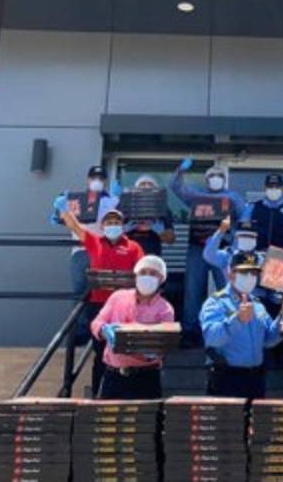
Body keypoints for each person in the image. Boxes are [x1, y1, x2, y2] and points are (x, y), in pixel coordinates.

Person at [57, 206, 145, 397]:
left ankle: (126, 395)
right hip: (99, 307)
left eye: (116, 222)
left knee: (125, 353)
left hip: (125, 308)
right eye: (109, 222)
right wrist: (64, 208)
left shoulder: (134, 247)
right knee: (100, 353)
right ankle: (99, 395)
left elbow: (142, 273)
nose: (113, 225)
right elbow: (75, 226)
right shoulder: (94, 241)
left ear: (122, 225)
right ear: (103, 225)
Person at [169, 157, 245, 348]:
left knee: (226, 289)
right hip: (197, 247)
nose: (215, 178)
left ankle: (230, 329)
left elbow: (243, 219)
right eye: (212, 176)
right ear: (206, 179)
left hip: (222, 249)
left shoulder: (233, 197)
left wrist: (235, 240)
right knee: (193, 290)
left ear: (224, 180)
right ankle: (190, 331)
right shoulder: (196, 195)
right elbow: (175, 187)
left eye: (219, 175)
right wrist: (180, 170)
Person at [50, 166, 120, 344]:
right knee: (79, 290)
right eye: (94, 177)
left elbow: (119, 223)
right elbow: (59, 218)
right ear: (87, 180)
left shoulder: (111, 199)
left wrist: (118, 201)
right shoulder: (75, 199)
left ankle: (101, 332)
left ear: (105, 181)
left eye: (101, 178)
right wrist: (59, 210)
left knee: (103, 291)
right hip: (80, 250)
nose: (97, 181)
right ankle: (80, 333)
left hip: (103, 250)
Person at [89, 255, 175, 399]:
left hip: (146, 377)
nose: (147, 276)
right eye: (143, 272)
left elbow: (163, 345)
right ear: (136, 276)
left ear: (161, 279)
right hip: (113, 375)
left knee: (147, 414)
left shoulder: (165, 309)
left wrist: (146, 351)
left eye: (153, 273)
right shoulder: (117, 297)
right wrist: (104, 330)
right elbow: (97, 322)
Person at [199, 253, 283, 399]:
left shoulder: (257, 304)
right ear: (231, 274)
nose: (250, 277)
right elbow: (211, 338)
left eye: (253, 273)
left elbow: (269, 339)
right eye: (244, 272)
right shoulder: (216, 302)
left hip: (256, 378)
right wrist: (237, 319)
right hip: (227, 378)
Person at [240, 173, 283, 253]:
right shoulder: (252, 208)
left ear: (282, 188)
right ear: (264, 188)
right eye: (270, 186)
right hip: (257, 256)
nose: (273, 189)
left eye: (277, 187)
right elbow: (241, 233)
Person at [121, 175, 175, 256]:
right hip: (127, 254)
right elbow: (111, 231)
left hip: (152, 255)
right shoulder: (125, 204)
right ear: (136, 188)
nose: (146, 186)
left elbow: (171, 240)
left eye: (150, 184)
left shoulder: (162, 207)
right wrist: (125, 229)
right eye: (142, 184)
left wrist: (160, 231)